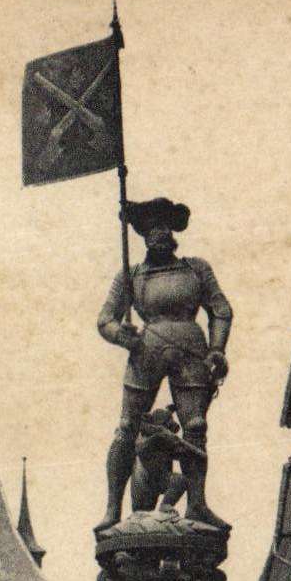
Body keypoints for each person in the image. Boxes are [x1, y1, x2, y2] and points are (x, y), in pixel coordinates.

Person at [97, 196, 232, 529]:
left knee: (196, 426)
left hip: (191, 347)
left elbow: (221, 309)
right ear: (143, 234)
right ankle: (113, 508)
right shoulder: (131, 275)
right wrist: (120, 334)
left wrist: (217, 349)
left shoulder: (196, 268)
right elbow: (104, 318)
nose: (158, 234)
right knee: (127, 426)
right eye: (151, 227)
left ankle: (197, 503)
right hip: (146, 349)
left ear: (172, 231)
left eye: (163, 226)